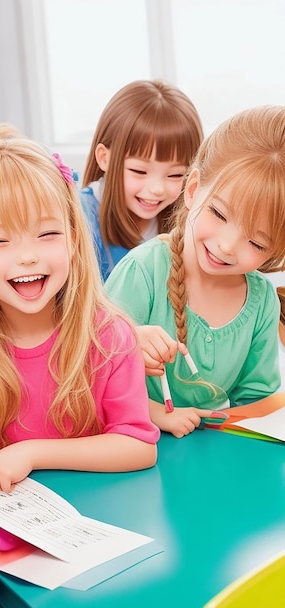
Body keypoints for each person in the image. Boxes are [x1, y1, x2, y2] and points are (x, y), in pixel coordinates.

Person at [0, 138, 159, 506]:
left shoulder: (108, 337)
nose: (27, 257)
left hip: (97, 523)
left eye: (47, 234)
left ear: (73, 241)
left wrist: (32, 453)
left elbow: (137, 445)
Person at [105, 106, 285, 438]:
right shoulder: (142, 272)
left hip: (216, 457)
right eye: (218, 213)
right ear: (192, 189)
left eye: (257, 243)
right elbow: (90, 378)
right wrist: (153, 405)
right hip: (134, 449)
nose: (227, 246)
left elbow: (256, 403)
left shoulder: (260, 301)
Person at [80, 80, 203, 280]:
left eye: (175, 175)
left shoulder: (190, 222)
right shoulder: (78, 216)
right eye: (139, 171)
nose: (156, 189)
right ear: (104, 158)